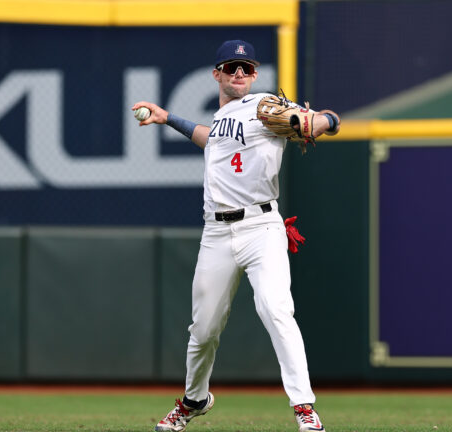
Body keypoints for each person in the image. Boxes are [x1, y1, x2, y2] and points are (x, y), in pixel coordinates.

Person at [132, 39, 340, 432]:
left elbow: (315, 124)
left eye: (246, 67)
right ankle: (195, 399)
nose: (240, 73)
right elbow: (210, 139)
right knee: (203, 330)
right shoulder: (225, 117)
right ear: (218, 75)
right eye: (231, 68)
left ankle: (304, 409)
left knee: (275, 309)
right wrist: (166, 118)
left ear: (255, 74)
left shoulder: (263, 106)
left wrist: (328, 119)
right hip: (216, 232)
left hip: (262, 227)